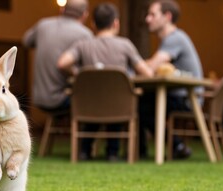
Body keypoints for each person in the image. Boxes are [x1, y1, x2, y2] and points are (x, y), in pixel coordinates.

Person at [57, 2, 153, 161]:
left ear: (93, 24)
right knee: (117, 104)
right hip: (119, 107)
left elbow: (62, 63)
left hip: (87, 106)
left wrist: (78, 72)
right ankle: (112, 152)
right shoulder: (125, 45)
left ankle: (85, 150)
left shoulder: (83, 45)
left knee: (95, 107)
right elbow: (147, 73)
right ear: (116, 23)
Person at [139, 0, 203, 159]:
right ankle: (144, 150)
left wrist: (135, 63)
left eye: (152, 15)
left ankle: (175, 145)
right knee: (142, 102)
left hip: (188, 99)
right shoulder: (172, 39)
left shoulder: (174, 38)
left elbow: (150, 69)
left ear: (167, 16)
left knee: (140, 105)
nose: (148, 19)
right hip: (183, 95)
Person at [22, 0, 92, 112]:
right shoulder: (85, 34)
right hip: (62, 99)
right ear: (85, 15)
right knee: (94, 98)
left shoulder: (43, 25)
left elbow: (26, 41)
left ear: (62, 9)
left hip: (39, 97)